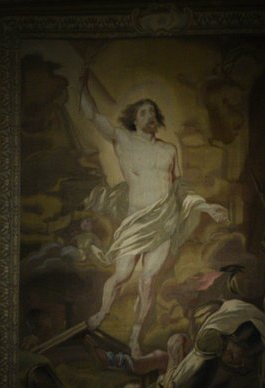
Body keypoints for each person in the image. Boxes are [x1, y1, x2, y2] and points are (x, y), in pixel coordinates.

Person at [77, 68, 229, 362]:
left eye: (152, 112)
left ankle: (135, 338)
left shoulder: (169, 150)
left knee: (148, 281)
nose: (149, 116)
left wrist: (208, 207)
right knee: (121, 275)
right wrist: (83, 86)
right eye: (143, 112)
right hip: (136, 220)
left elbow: (180, 188)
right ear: (134, 119)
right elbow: (91, 115)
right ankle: (102, 312)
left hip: (164, 220)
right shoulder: (122, 139)